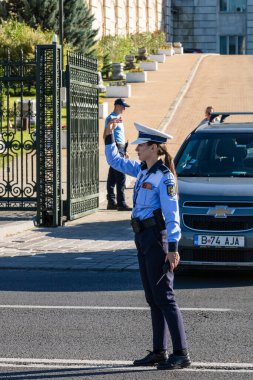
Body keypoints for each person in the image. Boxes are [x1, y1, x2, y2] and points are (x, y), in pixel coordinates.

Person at [104, 122, 191, 370]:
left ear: (153, 147)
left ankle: (181, 353)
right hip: (142, 237)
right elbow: (116, 162)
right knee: (153, 297)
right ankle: (159, 351)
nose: (137, 149)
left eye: (141, 145)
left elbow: (172, 214)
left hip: (157, 238)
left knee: (165, 296)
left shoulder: (165, 178)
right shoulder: (143, 171)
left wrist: (172, 248)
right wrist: (109, 137)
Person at [104, 98, 132, 211]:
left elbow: (121, 135)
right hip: (116, 147)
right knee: (121, 176)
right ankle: (121, 203)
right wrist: (114, 149)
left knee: (112, 177)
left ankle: (111, 202)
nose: (124, 109)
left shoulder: (118, 119)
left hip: (120, 148)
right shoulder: (111, 118)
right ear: (117, 106)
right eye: (123, 106)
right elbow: (107, 134)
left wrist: (125, 150)